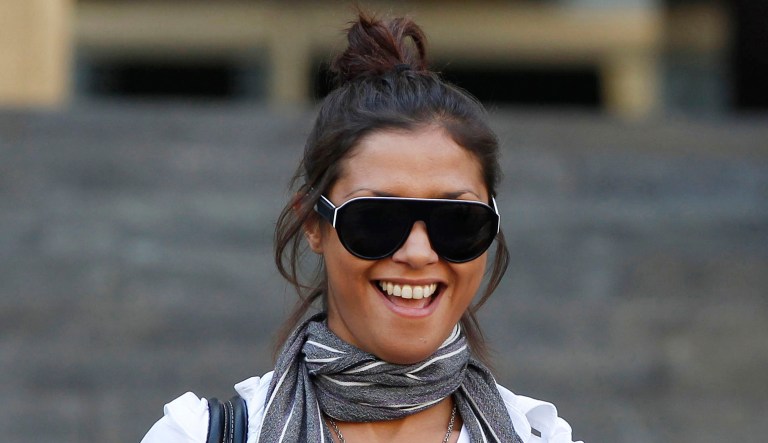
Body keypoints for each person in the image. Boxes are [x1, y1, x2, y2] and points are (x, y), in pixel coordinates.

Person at [141, 12, 582, 443]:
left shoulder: (541, 434)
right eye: (376, 219)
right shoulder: (200, 434)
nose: (418, 252)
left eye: (458, 221)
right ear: (314, 223)